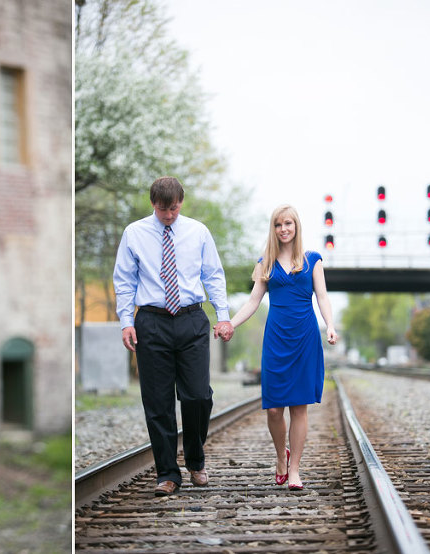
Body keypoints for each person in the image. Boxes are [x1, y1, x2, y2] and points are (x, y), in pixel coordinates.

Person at [113, 176, 234, 496]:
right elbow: (124, 280)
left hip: (191, 319)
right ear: (153, 204)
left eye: (174, 208)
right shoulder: (134, 234)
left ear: (182, 202)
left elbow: (214, 275)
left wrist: (223, 316)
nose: (169, 215)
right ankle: (167, 473)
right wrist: (126, 321)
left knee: (198, 396)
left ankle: (195, 458)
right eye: (163, 209)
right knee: (158, 402)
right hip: (151, 322)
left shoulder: (198, 232)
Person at [229, 204, 338, 490]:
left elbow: (323, 297)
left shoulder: (313, 259)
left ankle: (294, 470)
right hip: (276, 338)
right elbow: (253, 301)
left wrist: (331, 325)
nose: (284, 229)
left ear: (296, 226)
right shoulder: (264, 262)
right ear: (273, 229)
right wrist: (230, 323)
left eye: (288, 223)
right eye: (278, 225)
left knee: (299, 407)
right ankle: (281, 457)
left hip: (305, 337)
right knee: (275, 410)